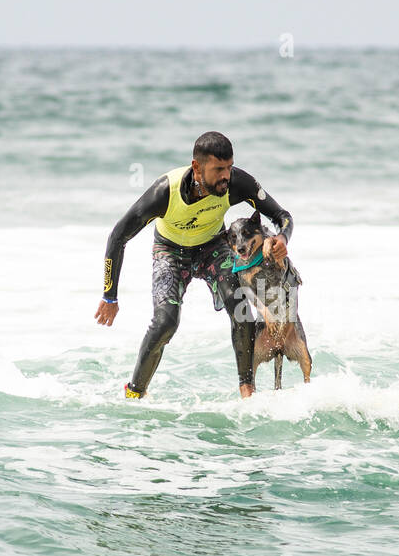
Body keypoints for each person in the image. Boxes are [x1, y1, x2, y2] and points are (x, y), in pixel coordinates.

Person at [94, 131, 294, 399]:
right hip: (170, 252)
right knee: (165, 323)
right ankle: (135, 393)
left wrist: (282, 237)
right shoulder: (164, 192)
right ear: (197, 168)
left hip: (212, 248)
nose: (226, 176)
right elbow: (118, 236)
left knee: (241, 310)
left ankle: (248, 394)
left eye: (230, 167)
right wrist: (110, 295)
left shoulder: (237, 183)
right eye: (219, 169)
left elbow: (282, 216)